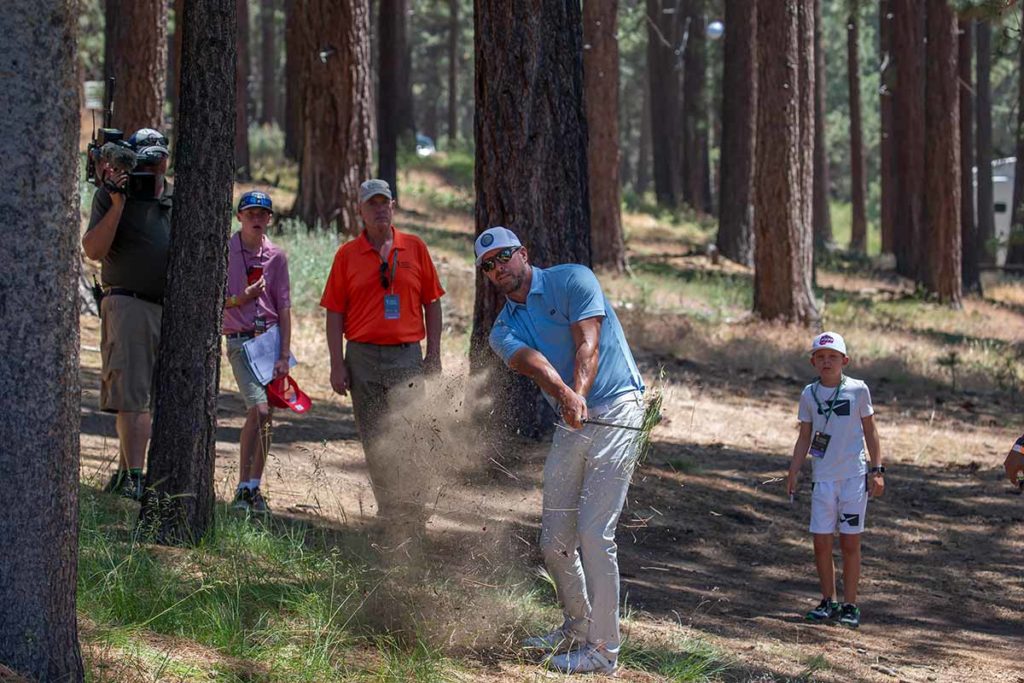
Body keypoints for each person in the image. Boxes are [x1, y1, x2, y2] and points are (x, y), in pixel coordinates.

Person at [475, 226, 645, 675]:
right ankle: (577, 626)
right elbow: (534, 364)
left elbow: (587, 341)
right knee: (554, 540)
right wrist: (567, 396)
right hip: (574, 416)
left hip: (619, 407)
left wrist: (578, 394)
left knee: (594, 534)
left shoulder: (573, 279)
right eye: (488, 266)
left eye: (504, 257)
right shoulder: (503, 328)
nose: (498, 269)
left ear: (523, 254)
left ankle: (604, 653)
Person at [321, 179, 444, 527]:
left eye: (384, 203)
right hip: (361, 357)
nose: (379, 209)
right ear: (359, 210)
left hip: (406, 356)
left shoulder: (415, 247)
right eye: (371, 204)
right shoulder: (346, 255)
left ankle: (414, 511)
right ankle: (389, 511)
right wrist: (336, 364)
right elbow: (334, 312)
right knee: (374, 437)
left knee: (411, 434)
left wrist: (433, 354)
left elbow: (432, 303)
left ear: (393, 207)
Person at [82, 128, 173, 500]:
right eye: (145, 163)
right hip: (130, 304)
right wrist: (118, 204)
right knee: (132, 395)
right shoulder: (112, 196)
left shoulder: (175, 196)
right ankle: (134, 477)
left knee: (149, 396)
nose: (150, 171)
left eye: (157, 163)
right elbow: (93, 249)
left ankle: (125, 471)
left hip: (170, 309)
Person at [787, 331, 884, 629]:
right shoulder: (809, 394)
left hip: (853, 479)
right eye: (820, 357)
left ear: (845, 360)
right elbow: (805, 436)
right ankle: (827, 600)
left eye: (832, 357)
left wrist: (877, 471)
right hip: (823, 479)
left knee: (850, 542)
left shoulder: (858, 390)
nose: (826, 362)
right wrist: (794, 470)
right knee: (821, 542)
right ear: (813, 361)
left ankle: (850, 604)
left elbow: (870, 431)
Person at [223, 191, 292, 514]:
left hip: (269, 342)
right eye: (250, 212)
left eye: (262, 213)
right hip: (239, 341)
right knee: (260, 409)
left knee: (267, 417)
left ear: (269, 220)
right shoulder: (226, 250)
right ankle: (241, 485)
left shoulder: (276, 257)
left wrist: (284, 354)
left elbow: (284, 306)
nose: (256, 218)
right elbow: (215, 297)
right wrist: (241, 298)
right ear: (239, 216)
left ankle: (254, 487)